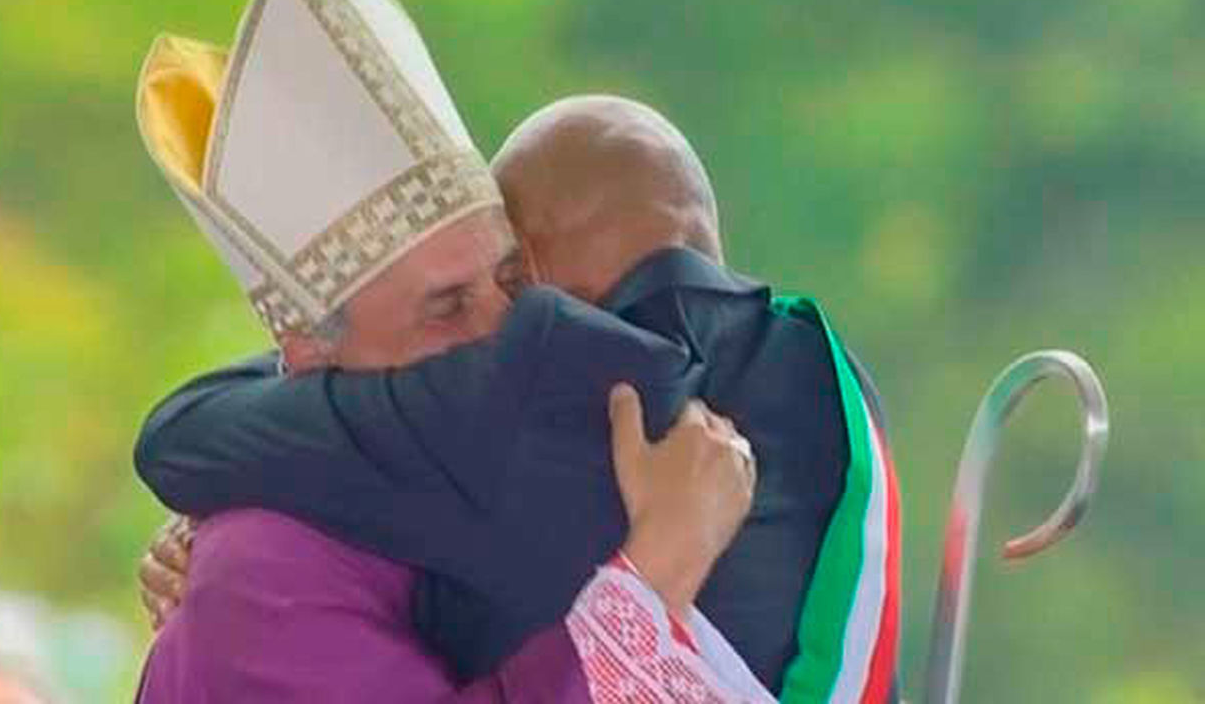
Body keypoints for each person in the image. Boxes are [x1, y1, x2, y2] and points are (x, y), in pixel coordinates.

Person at [137, 91, 900, 704]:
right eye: (448, 304)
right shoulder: (828, 378)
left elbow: (184, 436)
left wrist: (649, 580)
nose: (497, 328)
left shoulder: (544, 393)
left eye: (509, 286)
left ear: (539, 275)